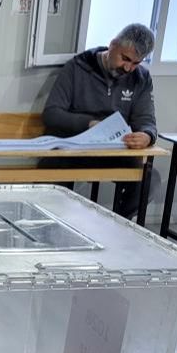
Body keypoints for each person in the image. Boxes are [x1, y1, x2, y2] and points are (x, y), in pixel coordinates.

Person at [40, 23, 159, 219]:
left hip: (115, 151)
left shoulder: (141, 78)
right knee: (50, 172)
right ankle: (54, 226)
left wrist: (147, 135)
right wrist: (89, 124)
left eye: (136, 63)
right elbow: (52, 114)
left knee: (150, 179)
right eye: (125, 59)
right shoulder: (77, 67)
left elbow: (146, 119)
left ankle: (118, 224)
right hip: (71, 149)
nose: (128, 68)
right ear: (112, 45)